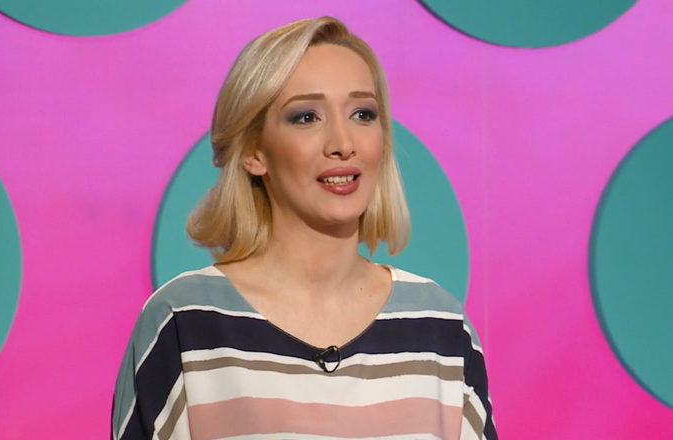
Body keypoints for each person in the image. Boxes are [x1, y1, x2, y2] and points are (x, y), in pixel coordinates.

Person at [112, 16, 497, 440]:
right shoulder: (183, 322)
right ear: (254, 151)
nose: (343, 143)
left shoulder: (441, 327)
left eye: (362, 114)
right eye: (307, 116)